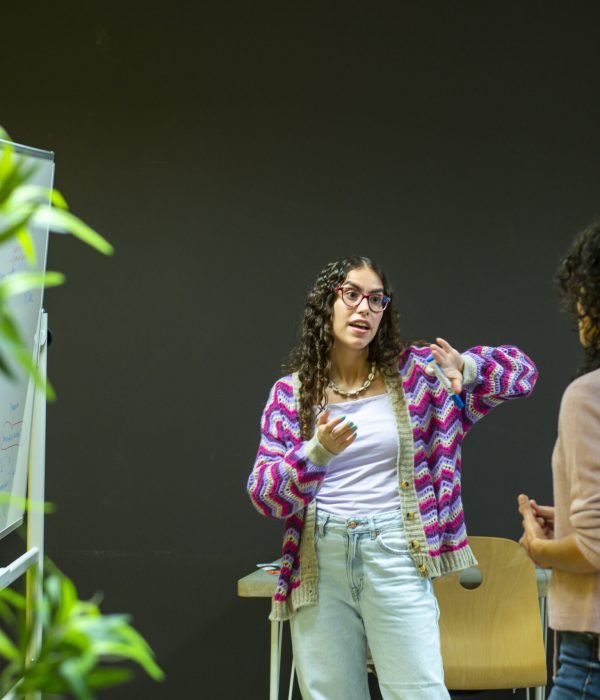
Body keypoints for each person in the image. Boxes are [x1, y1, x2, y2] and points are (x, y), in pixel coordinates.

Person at [248, 255, 538, 700]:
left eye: (376, 299)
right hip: (318, 562)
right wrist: (316, 452)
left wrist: (470, 368)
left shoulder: (419, 377)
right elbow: (266, 496)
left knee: (418, 692)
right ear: (327, 303)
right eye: (351, 294)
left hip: (397, 550)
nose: (364, 308)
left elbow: (522, 374)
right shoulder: (291, 394)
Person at [518, 222, 600, 700]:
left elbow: (593, 549)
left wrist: (538, 547)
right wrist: (571, 518)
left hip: (591, 655)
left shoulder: (587, 397)